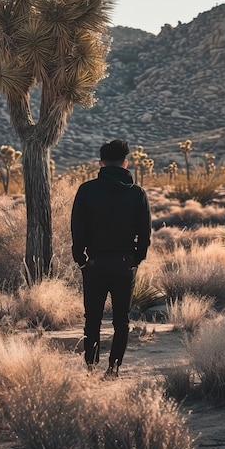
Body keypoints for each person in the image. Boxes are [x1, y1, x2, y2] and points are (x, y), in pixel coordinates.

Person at [71, 139, 152, 378]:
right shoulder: (137, 194)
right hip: (124, 264)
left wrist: (81, 259)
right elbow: (145, 232)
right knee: (121, 321)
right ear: (125, 163)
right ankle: (113, 369)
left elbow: (77, 228)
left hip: (94, 264)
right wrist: (137, 258)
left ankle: (90, 368)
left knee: (92, 319)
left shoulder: (86, 191)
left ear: (101, 163)